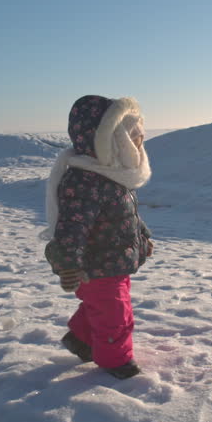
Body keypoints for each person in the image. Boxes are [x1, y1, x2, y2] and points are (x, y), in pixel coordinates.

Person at [41, 95, 153, 379]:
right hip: (94, 266)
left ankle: (81, 339)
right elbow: (70, 229)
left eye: (138, 136)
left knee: (105, 307)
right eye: (130, 138)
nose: (138, 143)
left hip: (115, 262)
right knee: (115, 315)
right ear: (107, 140)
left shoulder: (114, 175)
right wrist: (68, 264)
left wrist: (142, 237)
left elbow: (127, 216)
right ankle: (116, 362)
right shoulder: (85, 180)